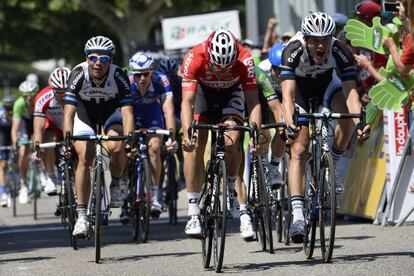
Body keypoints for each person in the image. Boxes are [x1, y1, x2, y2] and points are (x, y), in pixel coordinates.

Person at [280, 12, 370, 244]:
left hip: (326, 85)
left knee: (347, 117)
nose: (321, 45)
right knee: (299, 148)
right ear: (306, 39)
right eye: (315, 40)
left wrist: (360, 121)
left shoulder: (340, 51)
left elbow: (351, 93)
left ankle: (334, 164)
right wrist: (290, 121)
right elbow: (288, 95)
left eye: (326, 40)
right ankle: (298, 215)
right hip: (299, 90)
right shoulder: (293, 50)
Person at [181, 29, 262, 239]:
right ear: (209, 55)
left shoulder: (245, 59)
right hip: (202, 95)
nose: (222, 71)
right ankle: (193, 212)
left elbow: (253, 102)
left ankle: (232, 191)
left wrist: (255, 133)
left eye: (227, 66)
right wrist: (186, 133)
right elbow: (187, 102)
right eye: (217, 66)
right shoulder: (194, 57)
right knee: (196, 143)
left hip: (230, 95)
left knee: (233, 138)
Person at [63, 35, 134, 237]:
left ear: (110, 61)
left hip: (111, 113)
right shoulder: (78, 73)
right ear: (86, 58)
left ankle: (117, 181)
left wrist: (129, 138)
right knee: (85, 155)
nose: (98, 63)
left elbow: (127, 111)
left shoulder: (119, 75)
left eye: (104, 59)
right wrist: (68, 139)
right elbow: (69, 112)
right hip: (85, 115)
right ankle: (82, 216)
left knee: (117, 147)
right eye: (93, 57)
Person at [125, 51, 177, 218]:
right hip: (131, 114)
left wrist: (171, 137)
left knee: (155, 147)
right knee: (126, 150)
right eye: (138, 75)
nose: (142, 78)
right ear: (133, 73)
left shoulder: (161, 79)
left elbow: (168, 110)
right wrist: (128, 139)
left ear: (151, 72)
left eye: (146, 74)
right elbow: (124, 112)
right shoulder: (126, 82)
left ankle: (155, 195)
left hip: (152, 115)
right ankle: (126, 187)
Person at [32, 67, 71, 195]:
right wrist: (38, 148)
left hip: (72, 124)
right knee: (47, 139)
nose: (63, 95)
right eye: (59, 92)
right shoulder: (43, 97)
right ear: (52, 88)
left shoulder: (78, 93)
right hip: (53, 127)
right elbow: (38, 127)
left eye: (66, 91)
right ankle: (51, 176)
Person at [257, 43, 287, 186]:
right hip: (262, 97)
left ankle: (274, 167)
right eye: (277, 70)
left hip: (282, 97)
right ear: (271, 66)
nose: (280, 75)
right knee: (264, 132)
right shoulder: (262, 69)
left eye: (283, 70)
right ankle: (262, 164)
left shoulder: (293, 67)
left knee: (283, 129)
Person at [11, 80, 38, 204]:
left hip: (36, 122)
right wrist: (15, 143)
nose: (29, 98)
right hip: (24, 125)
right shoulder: (19, 104)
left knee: (40, 144)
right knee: (22, 152)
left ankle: (43, 172)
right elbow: (15, 128)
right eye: (26, 96)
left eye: (31, 95)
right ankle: (23, 182)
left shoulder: (38, 101)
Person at [0, 95, 16, 207]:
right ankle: (3, 192)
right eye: (7, 108)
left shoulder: (18, 111)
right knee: (3, 165)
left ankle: (20, 177)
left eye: (11, 108)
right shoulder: (1, 113)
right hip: (3, 138)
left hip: (15, 135)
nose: (9, 111)